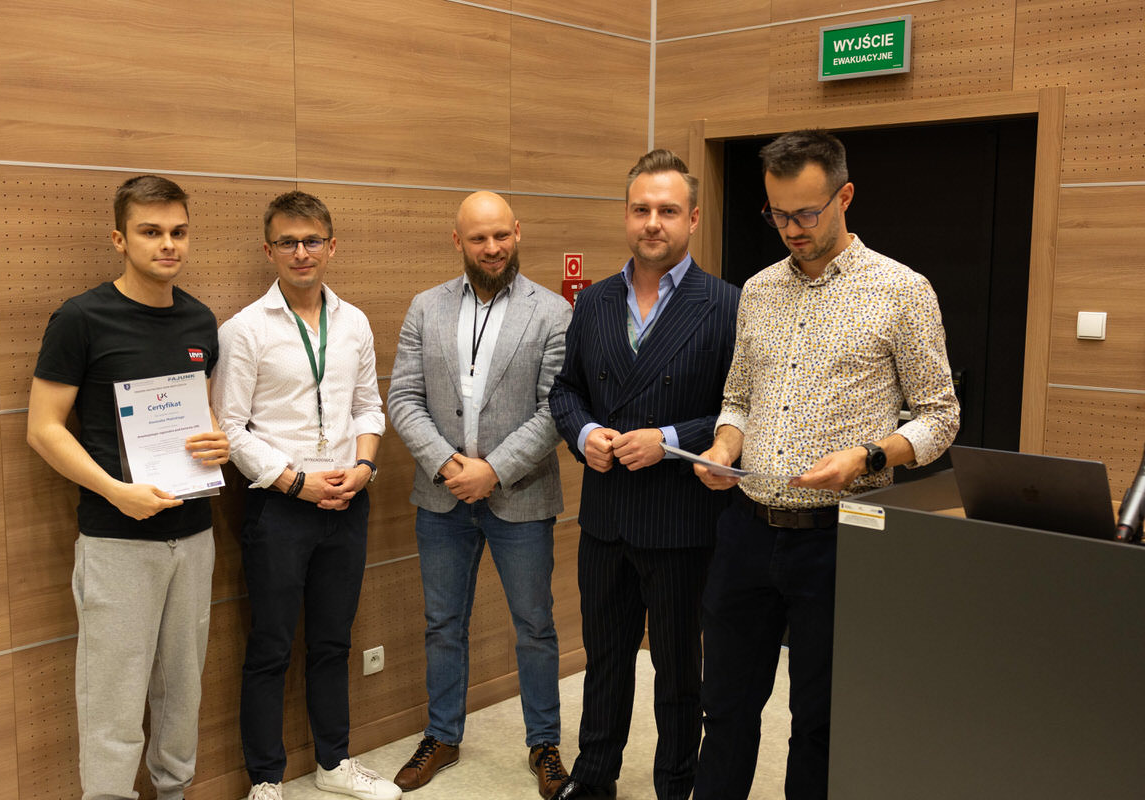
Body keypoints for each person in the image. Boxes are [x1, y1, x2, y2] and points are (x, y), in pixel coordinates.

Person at [692, 129, 960, 799]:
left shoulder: (901, 291)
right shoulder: (758, 290)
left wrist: (869, 456)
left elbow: (939, 416)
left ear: (845, 197)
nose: (792, 229)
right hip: (747, 532)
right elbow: (738, 399)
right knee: (724, 709)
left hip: (841, 539)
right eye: (777, 214)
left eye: (807, 213)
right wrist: (724, 448)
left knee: (820, 722)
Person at [26, 175, 230, 800]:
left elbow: (201, 414)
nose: (168, 244)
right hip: (116, 539)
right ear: (119, 239)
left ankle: (176, 791)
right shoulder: (81, 318)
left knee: (182, 691)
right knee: (113, 699)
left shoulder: (199, 319)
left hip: (193, 535)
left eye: (178, 232)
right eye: (151, 232)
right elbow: (43, 429)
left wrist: (217, 443)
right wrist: (116, 490)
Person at [548, 150, 740, 800]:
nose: (652, 222)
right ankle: (594, 777)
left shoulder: (726, 304)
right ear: (626, 216)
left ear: (693, 218)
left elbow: (741, 409)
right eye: (640, 209)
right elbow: (566, 390)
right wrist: (584, 433)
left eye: (667, 210)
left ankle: (675, 786)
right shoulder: (596, 301)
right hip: (605, 518)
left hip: (682, 521)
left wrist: (669, 440)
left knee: (679, 670)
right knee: (604, 659)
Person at [211, 191, 400, 800]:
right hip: (279, 508)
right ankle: (265, 779)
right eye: (287, 242)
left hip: (348, 500)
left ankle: (334, 763)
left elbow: (368, 405)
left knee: (333, 642)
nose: (301, 252)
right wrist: (296, 481)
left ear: (331, 246)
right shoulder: (243, 330)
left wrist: (364, 467)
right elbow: (229, 427)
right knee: (270, 646)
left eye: (312, 240)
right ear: (268, 250)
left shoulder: (355, 322)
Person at [386, 191, 573, 798]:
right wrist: (448, 466)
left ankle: (544, 744)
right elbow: (403, 398)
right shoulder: (425, 307)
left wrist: (492, 470)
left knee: (535, 626)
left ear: (517, 232)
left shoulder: (552, 312)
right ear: (457, 240)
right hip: (442, 499)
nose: (491, 248)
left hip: (520, 497)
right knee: (443, 624)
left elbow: (555, 409)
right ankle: (442, 735)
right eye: (478, 238)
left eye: (501, 235)